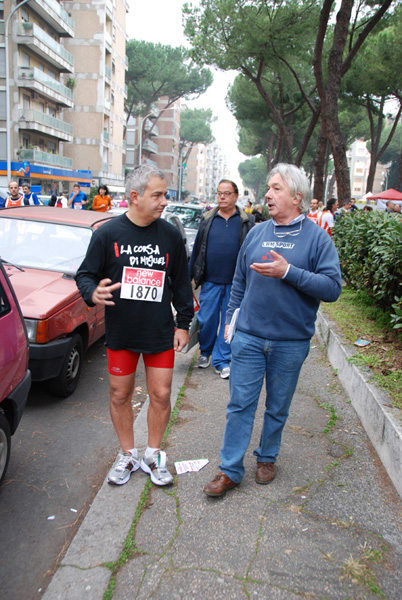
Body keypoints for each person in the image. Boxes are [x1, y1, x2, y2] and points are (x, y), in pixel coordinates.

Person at [203, 163, 342, 497]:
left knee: (278, 407)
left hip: (290, 342)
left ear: (297, 196)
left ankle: (267, 457)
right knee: (239, 404)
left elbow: (332, 288)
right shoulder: (256, 233)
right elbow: (239, 280)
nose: (267, 194)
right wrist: (230, 320)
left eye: (276, 188)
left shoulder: (317, 239)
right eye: (268, 187)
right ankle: (229, 469)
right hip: (249, 337)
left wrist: (288, 271)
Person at [76, 165, 193, 487]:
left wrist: (183, 324)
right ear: (134, 196)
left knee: (161, 393)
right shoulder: (108, 234)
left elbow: (182, 284)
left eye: (165, 194)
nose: (164, 201)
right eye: (157, 195)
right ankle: (127, 453)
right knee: (119, 394)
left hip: (158, 330)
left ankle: (153, 454)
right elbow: (84, 274)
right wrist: (92, 292)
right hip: (122, 331)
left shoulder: (170, 235)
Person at [189, 179, 254, 379]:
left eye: (226, 193)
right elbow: (197, 249)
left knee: (229, 322)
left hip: (236, 283)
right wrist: (189, 276)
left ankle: (221, 359)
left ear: (235, 196)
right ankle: (206, 352)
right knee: (207, 319)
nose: (222, 197)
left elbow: (252, 251)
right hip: (210, 281)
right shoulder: (208, 219)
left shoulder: (246, 222)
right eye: (219, 193)